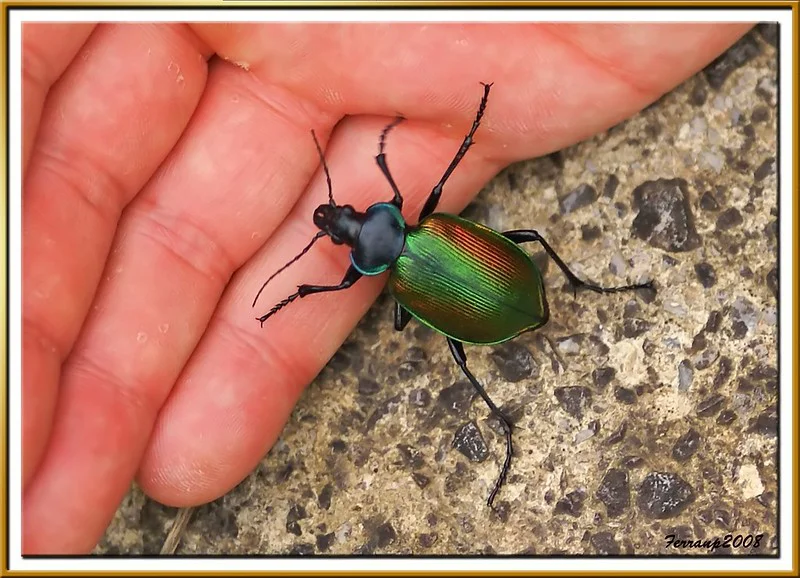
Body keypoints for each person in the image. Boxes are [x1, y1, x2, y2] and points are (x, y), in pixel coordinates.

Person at [21, 22, 753, 554]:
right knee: (493, 295)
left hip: (496, 292)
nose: (340, 223)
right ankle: (561, 326)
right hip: (494, 290)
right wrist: (427, 137)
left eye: (342, 224)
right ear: (374, 218)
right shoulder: (414, 227)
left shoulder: (394, 270)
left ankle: (568, 312)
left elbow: (333, 285)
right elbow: (423, 180)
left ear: (361, 232)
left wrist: (290, 294)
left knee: (471, 334)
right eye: (343, 226)